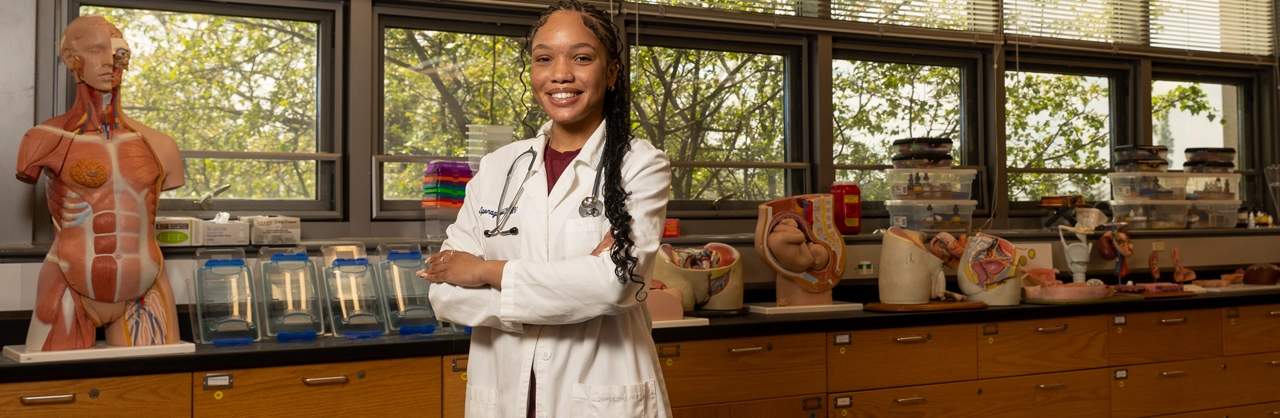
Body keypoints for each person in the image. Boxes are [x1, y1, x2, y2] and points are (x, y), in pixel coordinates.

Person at [419, 1, 673, 416]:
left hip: (600, 399)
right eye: (544, 58)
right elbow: (445, 294)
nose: (560, 74)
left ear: (610, 73)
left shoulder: (639, 164)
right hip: (502, 395)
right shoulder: (499, 167)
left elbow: (615, 283)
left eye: (582, 57)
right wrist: (573, 291)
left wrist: (485, 272)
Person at [16, 15, 184, 351]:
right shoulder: (45, 139)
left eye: (120, 53)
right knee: (57, 393)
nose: (110, 62)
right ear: (70, 59)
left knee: (160, 391)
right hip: (69, 286)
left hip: (145, 289)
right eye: (96, 51)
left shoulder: (159, 145)